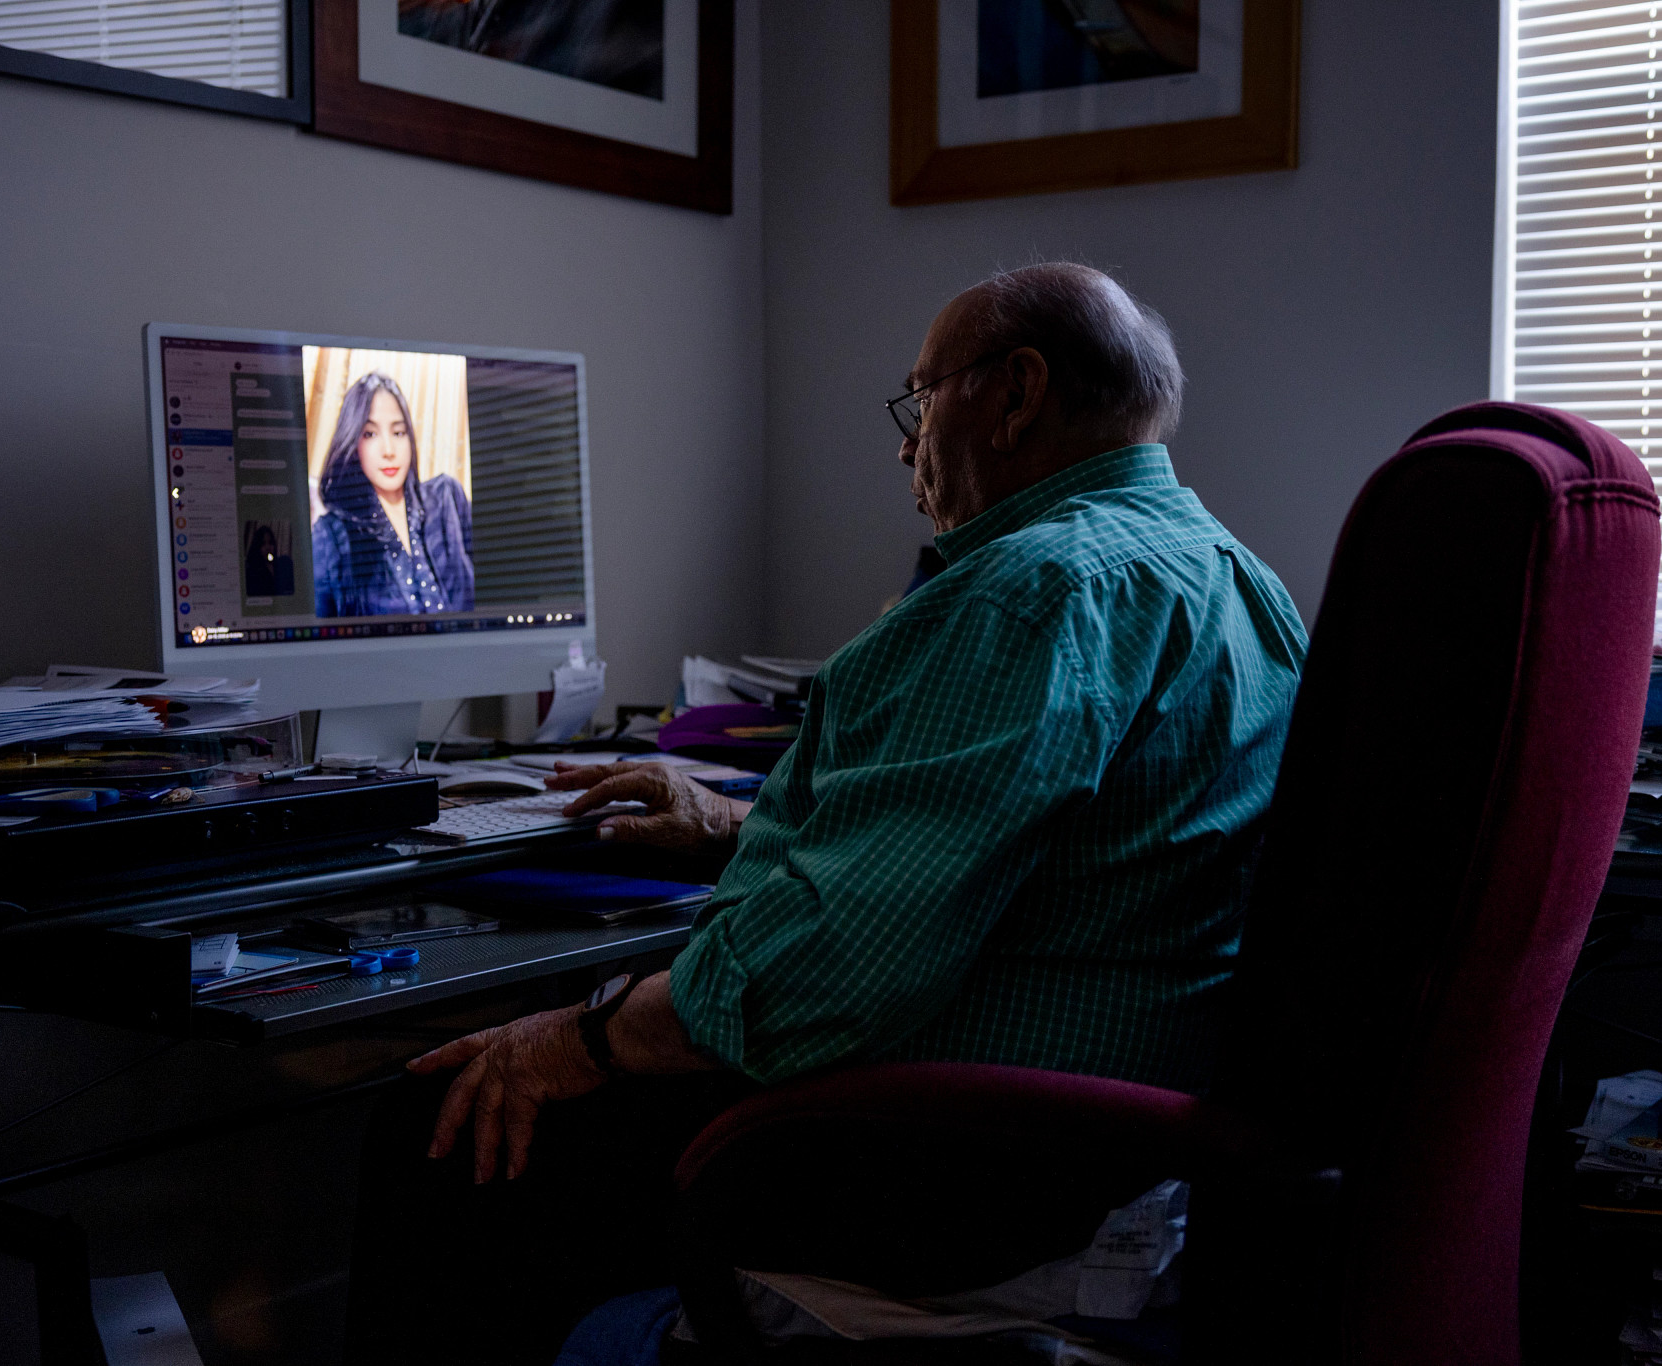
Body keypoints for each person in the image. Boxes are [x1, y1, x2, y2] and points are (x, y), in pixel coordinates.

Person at [347, 263, 1308, 1362]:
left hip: (965, 1166)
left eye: (921, 398)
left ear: (1014, 393)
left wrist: (581, 1040)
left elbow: (843, 965)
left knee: (440, 1126)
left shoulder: (1029, 590)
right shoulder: (1236, 576)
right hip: (1114, 1140)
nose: (906, 446)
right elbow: (1013, 858)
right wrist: (730, 830)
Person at [311, 371, 475, 617]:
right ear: (354, 442)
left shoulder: (447, 498)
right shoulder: (331, 538)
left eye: (398, 433)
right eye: (370, 434)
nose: (389, 450)